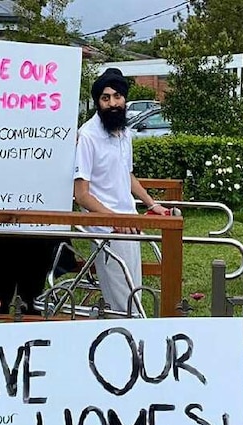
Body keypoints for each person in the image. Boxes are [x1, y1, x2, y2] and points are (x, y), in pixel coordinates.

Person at [73, 68, 172, 315]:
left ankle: (132, 347)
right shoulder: (87, 136)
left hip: (130, 222)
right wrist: (113, 220)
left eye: (117, 96)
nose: (113, 103)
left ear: (124, 98)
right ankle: (125, 347)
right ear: (98, 102)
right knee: (122, 304)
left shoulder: (124, 132)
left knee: (134, 294)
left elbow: (127, 176)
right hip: (107, 229)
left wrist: (151, 204)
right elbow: (81, 194)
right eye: (105, 98)